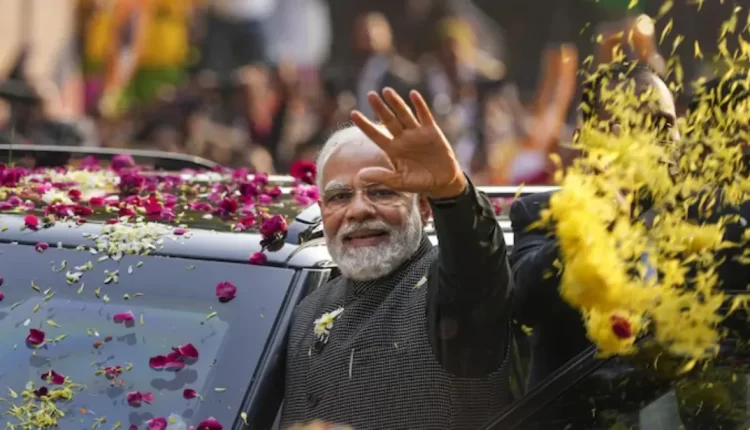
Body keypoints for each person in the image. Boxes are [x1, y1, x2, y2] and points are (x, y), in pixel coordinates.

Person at [280, 88, 513, 429]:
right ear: (322, 210)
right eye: (340, 196)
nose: (358, 210)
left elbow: (476, 265)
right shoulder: (306, 310)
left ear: (424, 207)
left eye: (382, 191)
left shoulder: (448, 296)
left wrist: (451, 190)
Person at [510, 60, 678, 389]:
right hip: (579, 409)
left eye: (663, 124)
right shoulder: (544, 213)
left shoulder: (707, 225)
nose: (650, 140)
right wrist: (592, 226)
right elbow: (524, 302)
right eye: (631, 124)